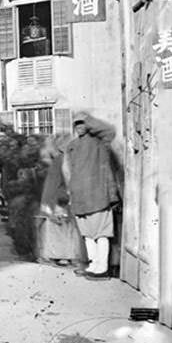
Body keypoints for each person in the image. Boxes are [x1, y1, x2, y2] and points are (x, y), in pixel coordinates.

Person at [64, 112, 120, 280]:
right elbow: (68, 171)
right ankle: (94, 264)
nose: (80, 127)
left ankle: (102, 268)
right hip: (79, 196)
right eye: (77, 124)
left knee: (101, 233)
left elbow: (109, 130)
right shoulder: (72, 145)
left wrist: (88, 120)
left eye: (82, 124)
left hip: (99, 195)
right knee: (88, 234)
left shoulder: (99, 142)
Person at [36, 134, 86, 266]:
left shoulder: (60, 160)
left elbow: (52, 184)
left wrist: (47, 204)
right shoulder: (73, 159)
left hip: (58, 198)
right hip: (68, 198)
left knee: (56, 228)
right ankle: (69, 255)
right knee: (68, 228)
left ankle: (55, 255)